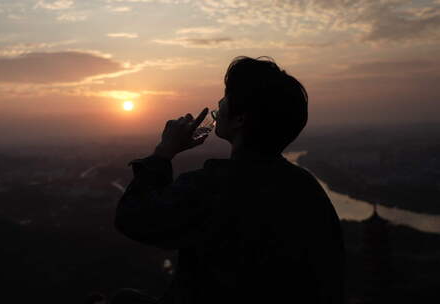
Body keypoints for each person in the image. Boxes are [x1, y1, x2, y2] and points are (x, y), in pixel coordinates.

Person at [112, 56, 345, 304]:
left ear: (240, 119)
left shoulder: (213, 187)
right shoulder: (307, 189)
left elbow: (133, 217)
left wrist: (163, 152)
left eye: (225, 97)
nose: (219, 104)